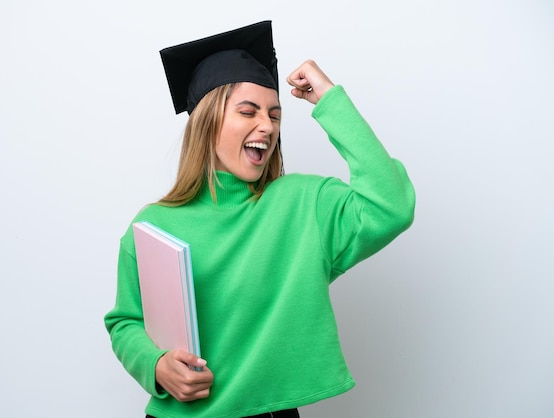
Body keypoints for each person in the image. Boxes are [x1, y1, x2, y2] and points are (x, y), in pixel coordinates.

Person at [104, 21, 415, 418]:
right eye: (248, 111)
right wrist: (156, 365)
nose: (267, 126)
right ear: (207, 121)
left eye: (275, 114)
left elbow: (391, 205)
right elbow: (126, 321)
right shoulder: (153, 225)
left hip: (271, 413)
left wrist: (330, 99)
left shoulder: (303, 204)